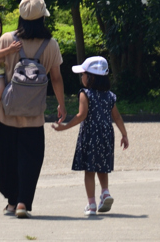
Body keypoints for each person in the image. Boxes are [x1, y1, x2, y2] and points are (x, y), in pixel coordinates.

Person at [0, 0, 66, 218]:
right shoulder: (51, 44)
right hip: (35, 115)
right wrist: (61, 105)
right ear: (42, 19)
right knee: (31, 158)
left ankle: (12, 201)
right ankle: (23, 202)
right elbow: (56, 78)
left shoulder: (7, 40)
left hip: (6, 113)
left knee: (6, 159)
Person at [52, 55, 129, 216]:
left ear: (91, 77)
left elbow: (82, 115)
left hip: (90, 136)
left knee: (89, 170)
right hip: (106, 135)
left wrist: (64, 127)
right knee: (102, 167)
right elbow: (117, 117)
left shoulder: (85, 93)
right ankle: (105, 192)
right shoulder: (109, 95)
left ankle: (92, 204)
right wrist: (124, 134)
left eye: (84, 74)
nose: (82, 77)